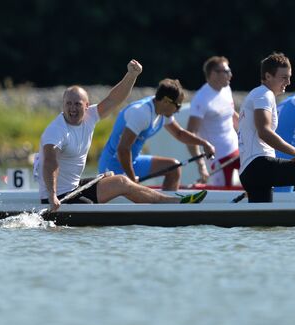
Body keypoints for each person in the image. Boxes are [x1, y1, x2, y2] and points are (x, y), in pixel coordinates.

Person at [34, 60, 208, 213]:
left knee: (122, 181)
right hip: (58, 197)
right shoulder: (56, 131)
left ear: (86, 106)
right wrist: (51, 195)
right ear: (63, 104)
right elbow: (50, 163)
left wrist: (131, 75)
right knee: (106, 199)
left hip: (74, 188)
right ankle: (171, 203)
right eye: (68, 104)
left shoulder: (90, 116)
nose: (72, 108)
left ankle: (171, 203)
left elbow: (113, 99)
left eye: (77, 104)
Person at [98, 78, 215, 190]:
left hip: (133, 161)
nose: (178, 110)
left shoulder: (162, 111)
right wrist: (132, 179)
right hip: (113, 165)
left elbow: (179, 134)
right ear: (165, 101)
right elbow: (123, 149)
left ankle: (167, 205)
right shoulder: (141, 113)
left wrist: (204, 144)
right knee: (136, 190)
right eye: (178, 105)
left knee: (174, 167)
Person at [237, 52, 295, 202]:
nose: (289, 82)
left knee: (263, 224)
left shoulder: (257, 94)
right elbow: (264, 132)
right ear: (268, 76)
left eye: (289, 77)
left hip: (251, 170)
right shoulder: (264, 94)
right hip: (259, 165)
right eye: (284, 77)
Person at [187, 56, 240, 186]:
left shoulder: (226, 88)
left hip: (236, 150)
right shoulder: (201, 99)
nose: (230, 75)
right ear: (213, 74)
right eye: (226, 72)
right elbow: (190, 134)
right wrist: (201, 165)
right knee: (224, 201)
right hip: (218, 159)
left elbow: (231, 113)